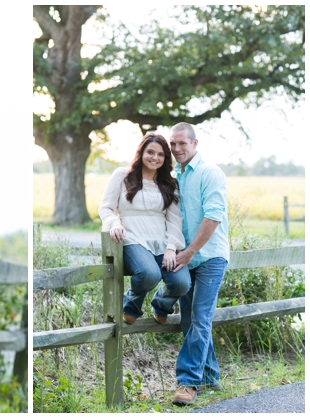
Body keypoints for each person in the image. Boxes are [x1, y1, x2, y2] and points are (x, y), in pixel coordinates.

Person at [98, 133, 191, 327]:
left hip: (162, 241)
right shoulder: (123, 175)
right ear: (141, 153)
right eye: (150, 152)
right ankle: (131, 304)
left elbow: (175, 220)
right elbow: (106, 207)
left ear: (166, 158)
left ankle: (161, 305)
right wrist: (115, 223)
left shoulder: (170, 184)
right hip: (132, 238)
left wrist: (171, 248)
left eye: (160, 154)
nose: (154, 157)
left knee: (182, 283)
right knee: (149, 274)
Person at [168, 122, 229, 406]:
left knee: (201, 318)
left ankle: (188, 382)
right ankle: (210, 376)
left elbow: (213, 216)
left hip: (209, 257)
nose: (177, 149)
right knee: (190, 320)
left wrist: (190, 252)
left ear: (195, 143)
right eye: (173, 144)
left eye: (182, 143)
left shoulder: (210, 173)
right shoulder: (174, 176)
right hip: (186, 257)